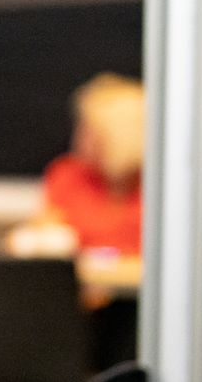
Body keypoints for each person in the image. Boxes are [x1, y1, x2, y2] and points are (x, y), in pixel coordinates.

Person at [36, 73, 145, 255]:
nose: (78, 138)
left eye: (89, 131)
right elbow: (46, 234)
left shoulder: (158, 187)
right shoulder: (68, 174)